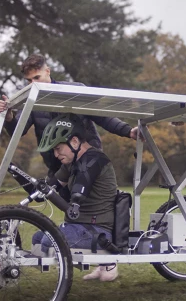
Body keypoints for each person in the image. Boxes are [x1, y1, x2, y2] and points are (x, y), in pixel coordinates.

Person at [0, 54, 140, 178]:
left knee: (92, 207)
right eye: (29, 80)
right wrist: (9, 117)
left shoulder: (76, 90)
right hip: (57, 166)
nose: (33, 84)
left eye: (37, 77)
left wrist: (128, 131)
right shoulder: (31, 100)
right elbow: (17, 131)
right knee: (69, 210)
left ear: (48, 71)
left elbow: (103, 117)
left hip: (87, 160)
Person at [32, 113, 119, 282]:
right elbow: (52, 185)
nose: (56, 155)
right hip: (79, 228)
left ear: (74, 142)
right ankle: (105, 265)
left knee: (48, 242)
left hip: (98, 231)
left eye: (58, 148)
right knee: (37, 238)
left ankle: (108, 261)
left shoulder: (96, 159)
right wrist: (35, 187)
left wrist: (68, 200)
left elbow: (80, 189)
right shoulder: (71, 162)